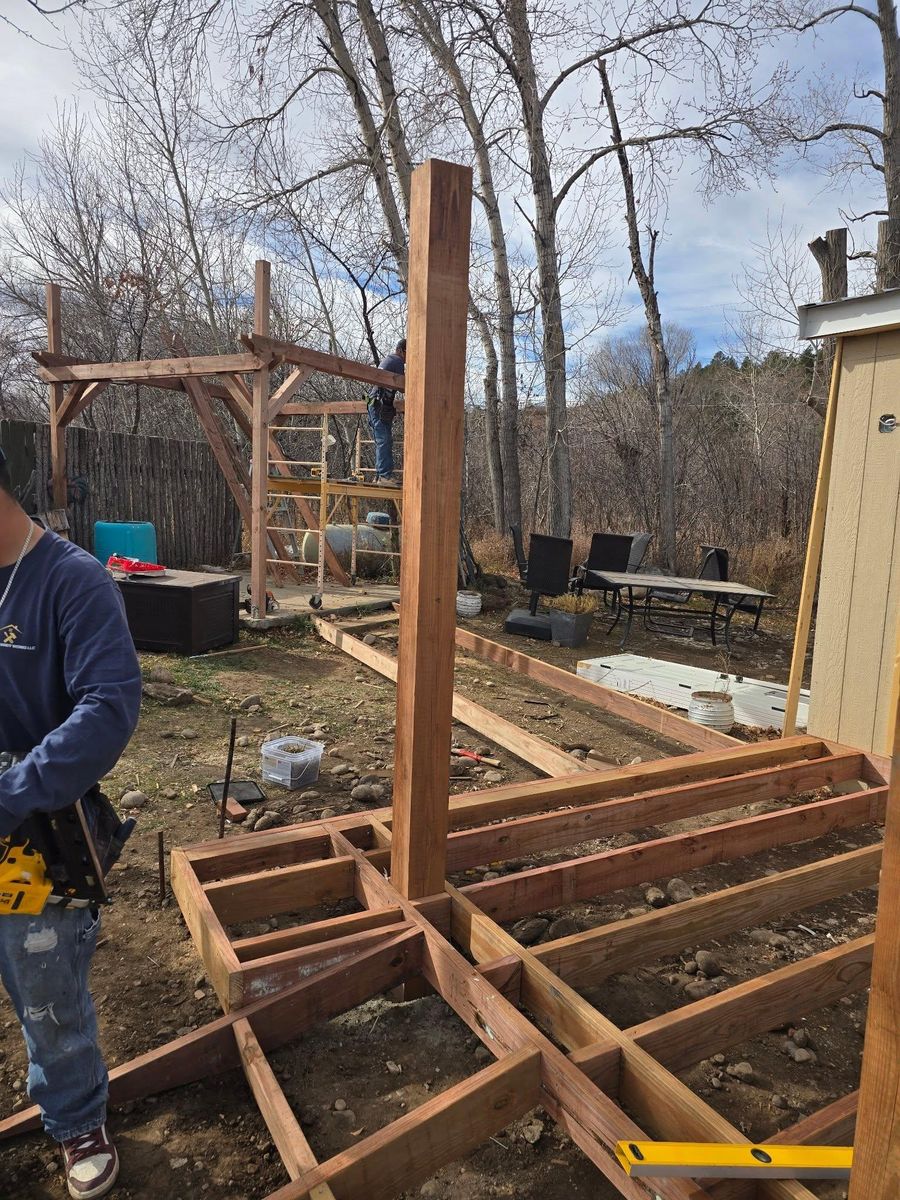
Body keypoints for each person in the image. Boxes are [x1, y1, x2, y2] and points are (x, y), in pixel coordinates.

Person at [0, 444, 142, 1199]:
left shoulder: (70, 582)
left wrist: (13, 790)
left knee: (41, 975)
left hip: (29, 830)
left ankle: (75, 1117)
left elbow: (108, 710)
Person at [368, 337, 406, 485]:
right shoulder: (396, 361)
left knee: (382, 440)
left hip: (376, 404)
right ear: (401, 351)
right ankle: (384, 476)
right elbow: (405, 385)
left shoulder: (389, 361)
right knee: (384, 440)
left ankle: (380, 476)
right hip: (379, 404)